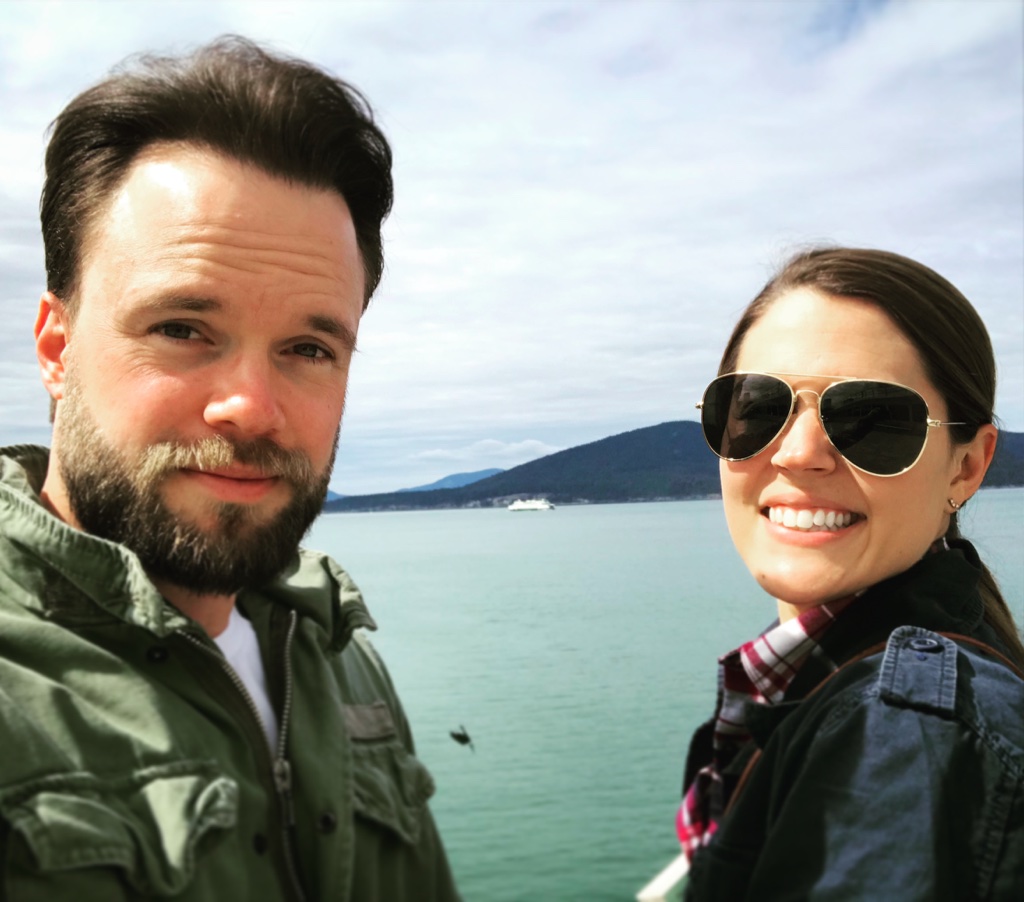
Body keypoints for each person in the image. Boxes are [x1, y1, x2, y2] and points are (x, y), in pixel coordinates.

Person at [0, 37, 460, 901]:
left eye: (308, 347)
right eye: (182, 329)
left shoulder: (331, 652)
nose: (251, 408)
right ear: (56, 349)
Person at [678, 247, 1024, 899]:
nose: (798, 453)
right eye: (757, 408)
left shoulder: (906, 732)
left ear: (967, 467)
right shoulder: (868, 686)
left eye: (872, 420)